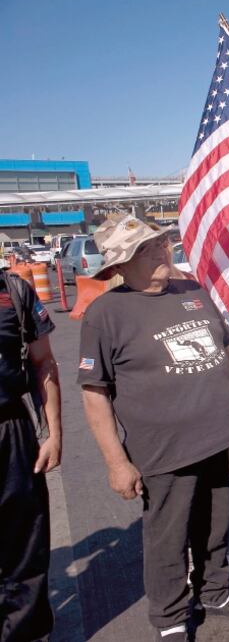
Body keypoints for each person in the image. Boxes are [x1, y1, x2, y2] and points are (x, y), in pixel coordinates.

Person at [78, 216, 229, 639]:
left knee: (216, 524)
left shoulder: (193, 291)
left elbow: (227, 356)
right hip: (162, 451)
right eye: (148, 249)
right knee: (167, 537)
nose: (163, 251)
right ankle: (170, 616)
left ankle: (214, 593)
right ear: (120, 265)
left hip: (217, 435)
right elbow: (94, 394)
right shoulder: (106, 313)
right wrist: (116, 463)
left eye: (162, 242)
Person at [0, 268, 62, 641]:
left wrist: (54, 434)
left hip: (9, 432)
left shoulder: (14, 290)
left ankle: (26, 633)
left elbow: (44, 362)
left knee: (23, 543)